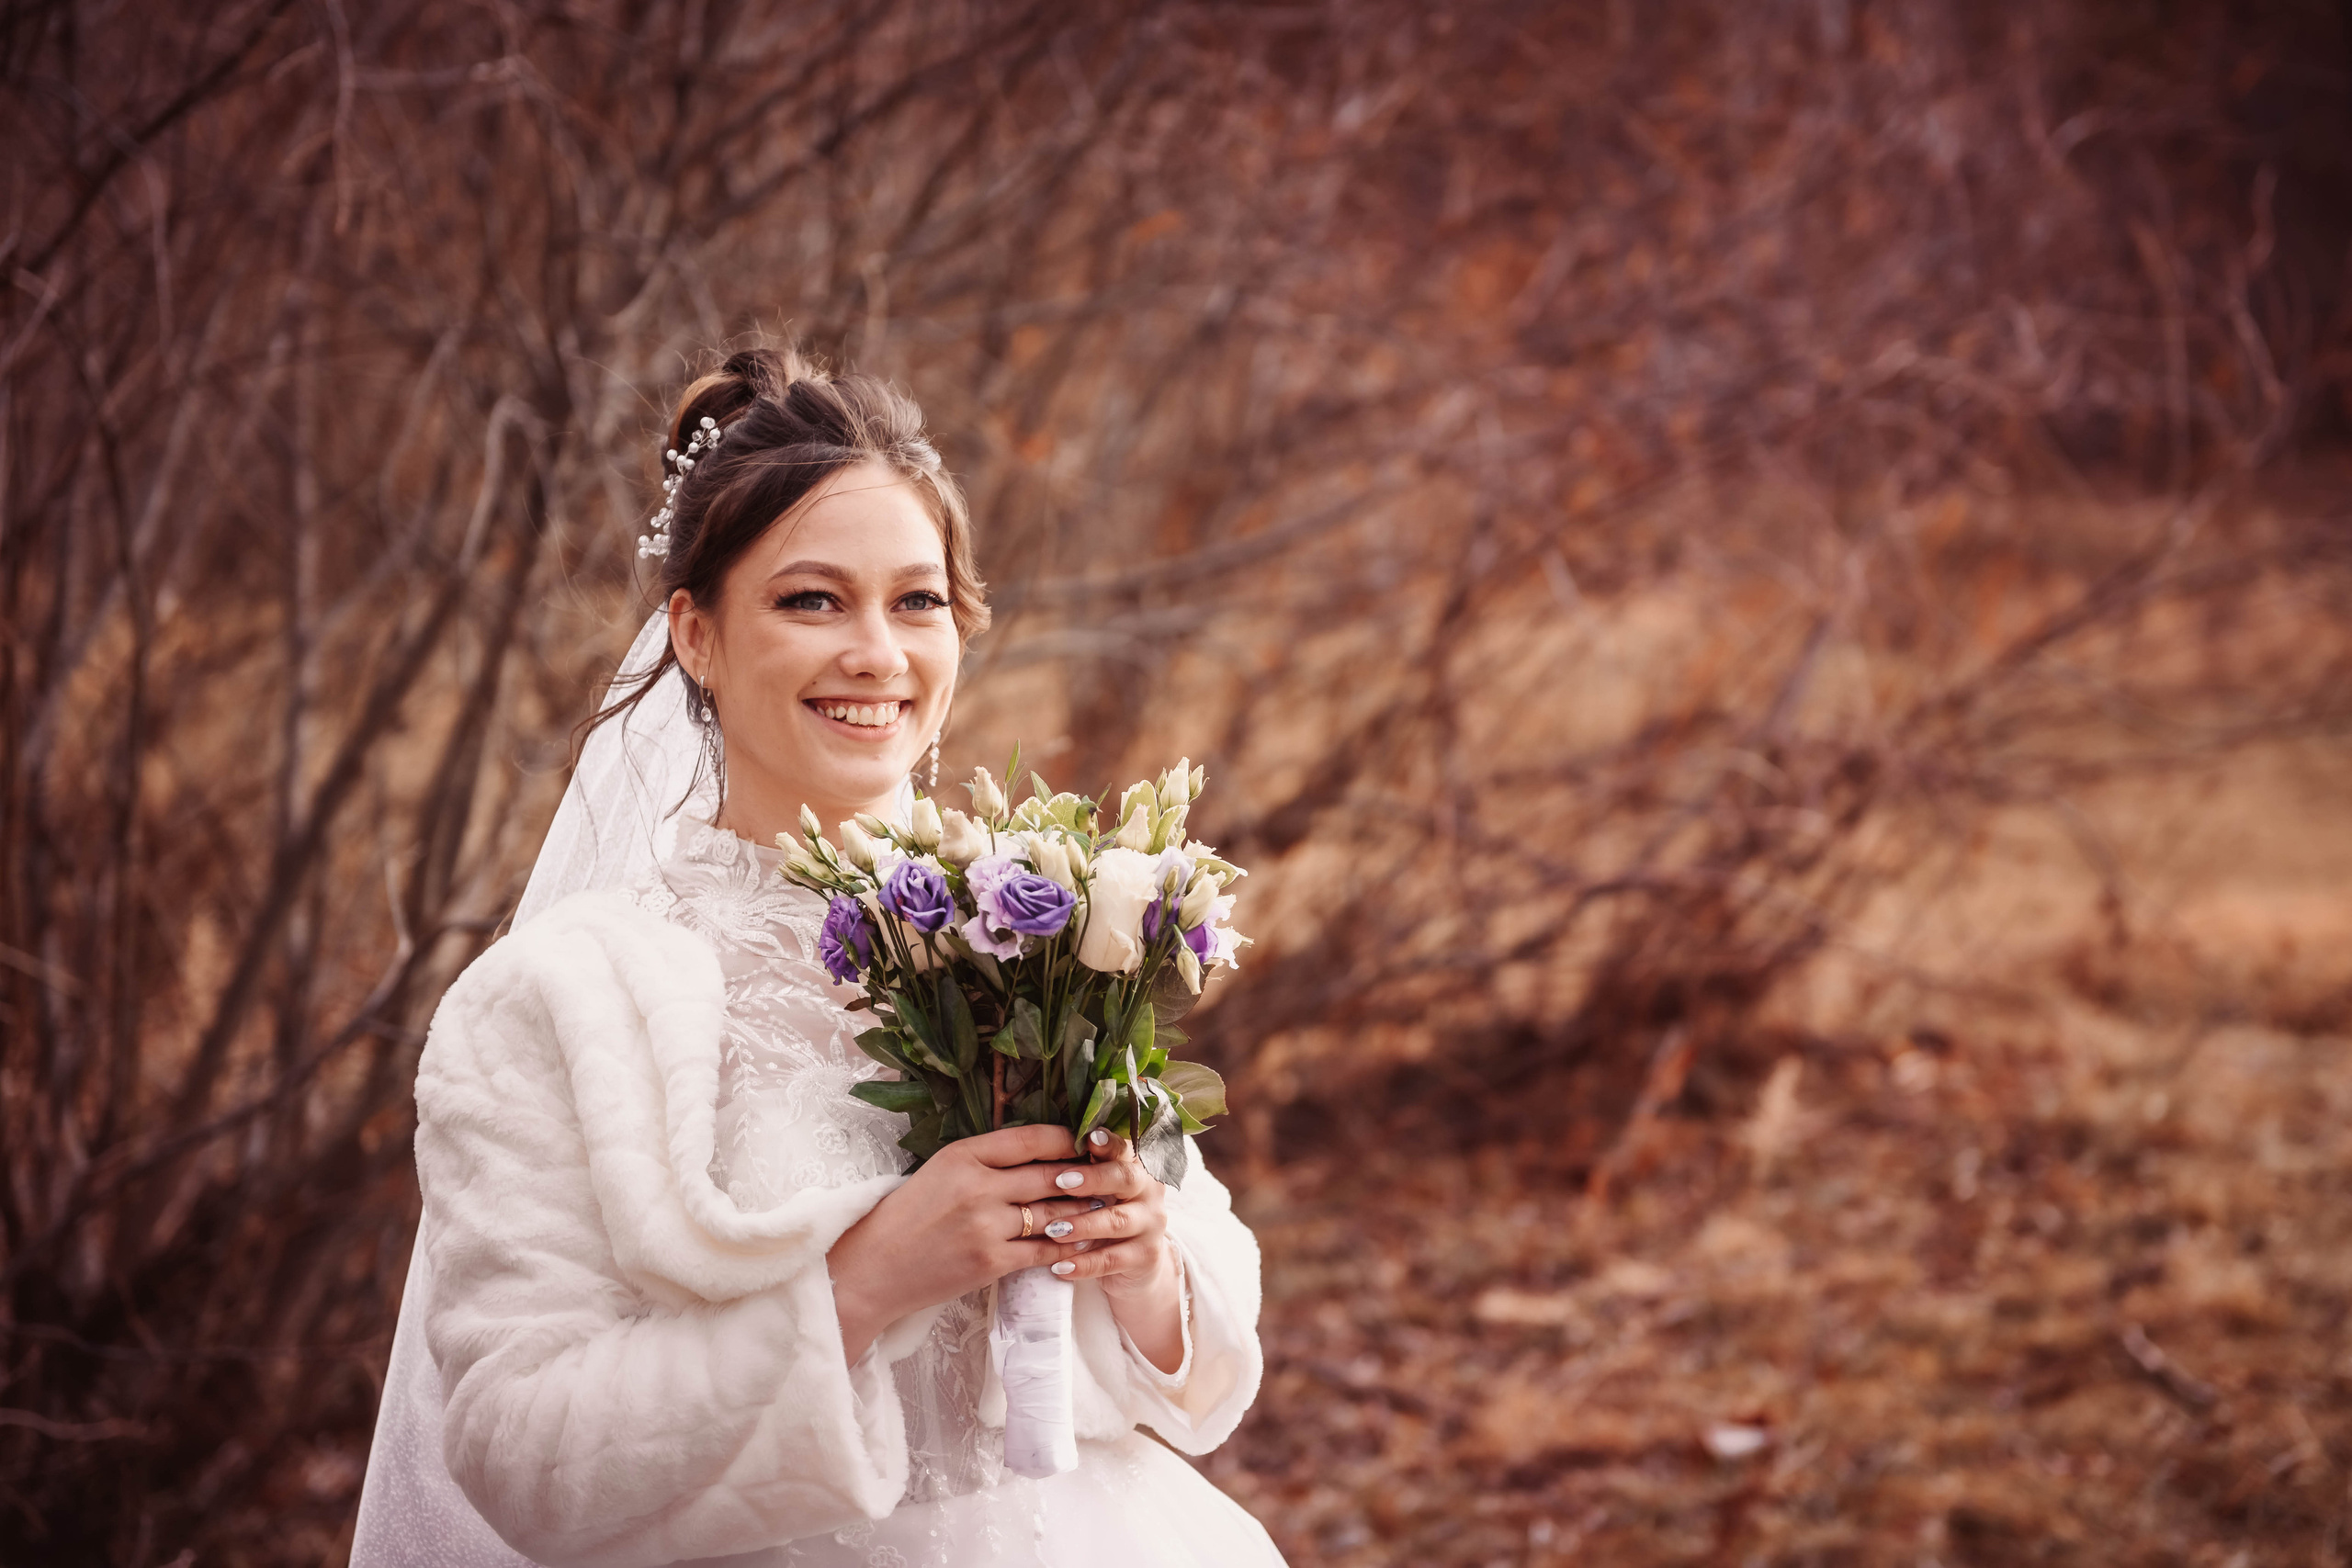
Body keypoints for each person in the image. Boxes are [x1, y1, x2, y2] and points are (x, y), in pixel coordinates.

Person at [350, 348, 1284, 1567]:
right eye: (811, 601)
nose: (878, 654)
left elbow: (1204, 1347)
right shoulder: (560, 999)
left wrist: (1143, 1261)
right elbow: (521, 1448)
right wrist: (865, 1283)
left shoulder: (1042, 925)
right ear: (695, 634)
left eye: (917, 601)